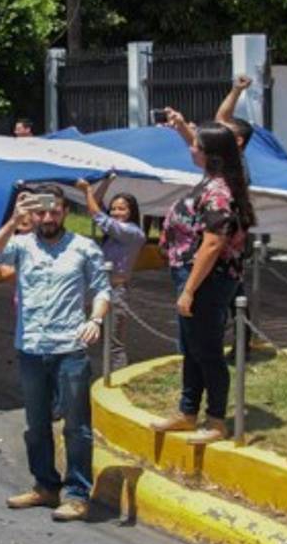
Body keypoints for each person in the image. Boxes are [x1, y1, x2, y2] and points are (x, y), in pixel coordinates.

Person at [0, 185, 110, 522]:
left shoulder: (84, 247)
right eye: (41, 211)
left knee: (76, 426)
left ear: (66, 211)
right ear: (33, 213)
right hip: (31, 348)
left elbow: (102, 288)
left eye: (55, 211)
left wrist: (96, 319)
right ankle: (45, 485)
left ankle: (78, 493)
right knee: (36, 424)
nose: (48, 217)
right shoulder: (22, 245)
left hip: (70, 348)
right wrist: (13, 220)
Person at [150, 119, 255, 444]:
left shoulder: (218, 192)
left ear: (212, 155)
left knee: (207, 351)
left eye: (196, 145)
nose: (191, 148)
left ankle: (216, 419)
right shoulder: (212, 181)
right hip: (193, 274)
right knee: (192, 349)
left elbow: (213, 243)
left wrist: (190, 290)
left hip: (207, 280)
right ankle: (187, 411)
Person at [75, 174, 144, 370]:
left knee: (114, 345)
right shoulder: (116, 231)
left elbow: (96, 213)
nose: (116, 212)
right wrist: (107, 182)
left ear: (132, 211)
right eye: (113, 208)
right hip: (97, 290)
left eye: (122, 209)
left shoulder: (132, 232)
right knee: (85, 335)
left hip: (115, 292)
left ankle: (118, 381)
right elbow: (95, 206)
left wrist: (87, 190)